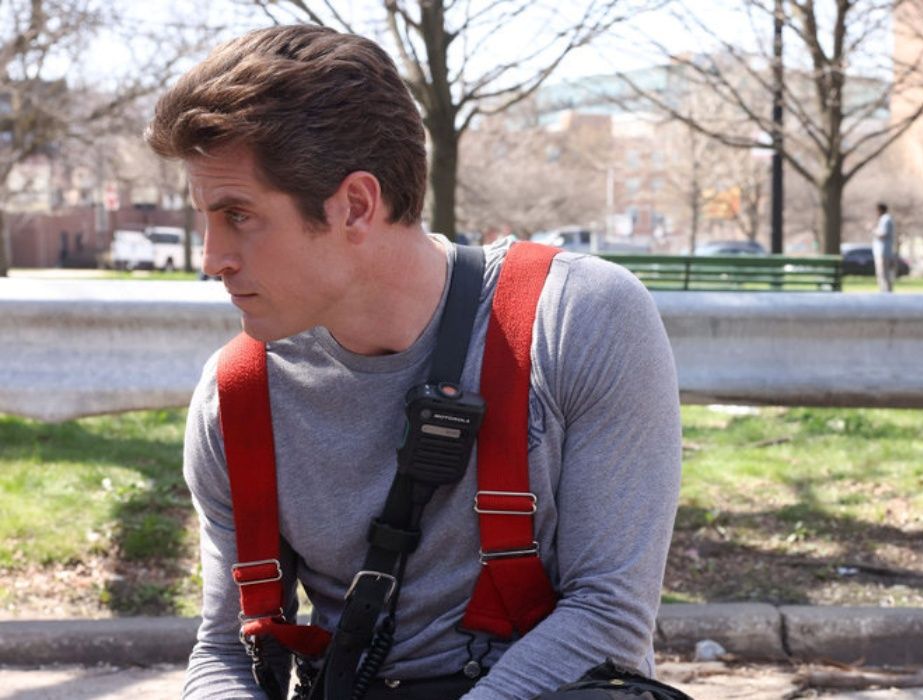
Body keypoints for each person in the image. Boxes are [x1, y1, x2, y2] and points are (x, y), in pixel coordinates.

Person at [145, 25, 682, 699]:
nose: (212, 258)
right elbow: (226, 647)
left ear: (356, 206)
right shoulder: (236, 397)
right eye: (206, 219)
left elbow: (609, 617)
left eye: (239, 215)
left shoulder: (580, 319)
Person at [872, 203, 897, 293]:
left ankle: (886, 292)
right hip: (881, 251)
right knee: (881, 273)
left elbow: (883, 234)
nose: (876, 213)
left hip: (883, 251)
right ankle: (884, 290)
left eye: (877, 210)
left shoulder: (886, 219)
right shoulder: (884, 219)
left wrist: (873, 230)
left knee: (883, 273)